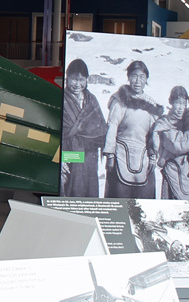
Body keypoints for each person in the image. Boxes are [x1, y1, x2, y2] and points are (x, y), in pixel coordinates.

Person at [102, 61, 161, 198]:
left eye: (142, 77)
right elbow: (112, 127)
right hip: (121, 154)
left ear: (146, 79)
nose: (138, 81)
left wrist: (152, 157)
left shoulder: (151, 104)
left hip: (143, 157)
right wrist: (110, 155)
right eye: (134, 76)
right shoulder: (120, 101)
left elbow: (153, 134)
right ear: (129, 77)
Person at [60, 59, 107, 196]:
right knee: (73, 184)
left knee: (90, 186)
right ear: (67, 78)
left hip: (90, 154)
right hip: (70, 151)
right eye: (74, 79)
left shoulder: (91, 99)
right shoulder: (61, 98)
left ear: (86, 80)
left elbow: (100, 128)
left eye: (82, 79)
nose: (77, 84)